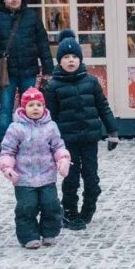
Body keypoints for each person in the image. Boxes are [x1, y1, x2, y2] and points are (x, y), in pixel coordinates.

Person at [44, 29, 119, 231]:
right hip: (67, 142)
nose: (70, 61)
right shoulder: (53, 86)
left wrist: (112, 132)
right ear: (59, 61)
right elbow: (49, 117)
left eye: (74, 57)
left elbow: (103, 106)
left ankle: (88, 209)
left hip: (89, 139)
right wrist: (49, 142)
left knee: (92, 178)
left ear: (80, 59)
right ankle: (69, 212)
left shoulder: (91, 82)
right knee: (71, 179)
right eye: (66, 57)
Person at [0, 87, 72, 249]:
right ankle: (29, 236)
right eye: (31, 105)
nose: (35, 109)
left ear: (44, 106)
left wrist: (63, 159)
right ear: (24, 108)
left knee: (51, 205)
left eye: (38, 105)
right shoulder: (16, 128)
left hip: (47, 176)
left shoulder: (51, 126)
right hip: (23, 178)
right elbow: (8, 150)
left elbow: (58, 146)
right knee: (27, 207)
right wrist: (7, 168)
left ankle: (49, 232)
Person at [0, 0, 53, 130]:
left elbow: (42, 43)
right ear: (4, 0)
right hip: (6, 73)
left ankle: (30, 140)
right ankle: (6, 145)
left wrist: (48, 68)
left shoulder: (32, 17)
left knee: (30, 108)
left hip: (29, 70)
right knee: (6, 110)